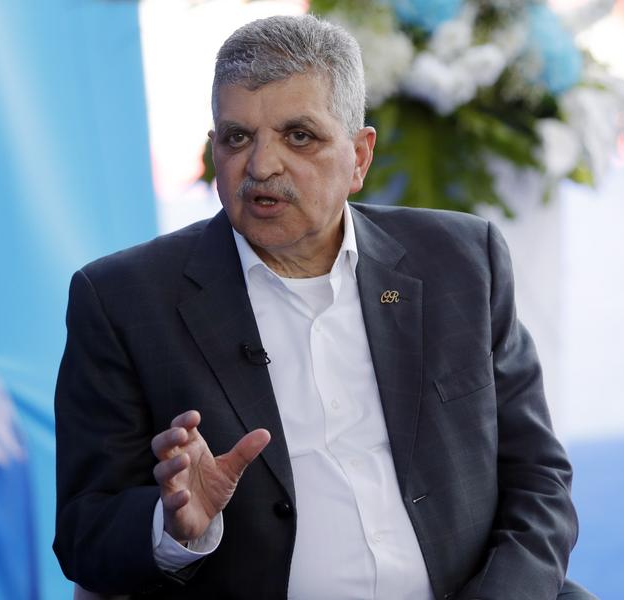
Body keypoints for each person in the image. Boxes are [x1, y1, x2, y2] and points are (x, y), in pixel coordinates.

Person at [54, 14, 596, 600]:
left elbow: (538, 479)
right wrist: (176, 527)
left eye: (298, 136)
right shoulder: (125, 301)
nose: (261, 166)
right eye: (237, 137)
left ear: (360, 157)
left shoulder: (461, 261)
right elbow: (85, 531)